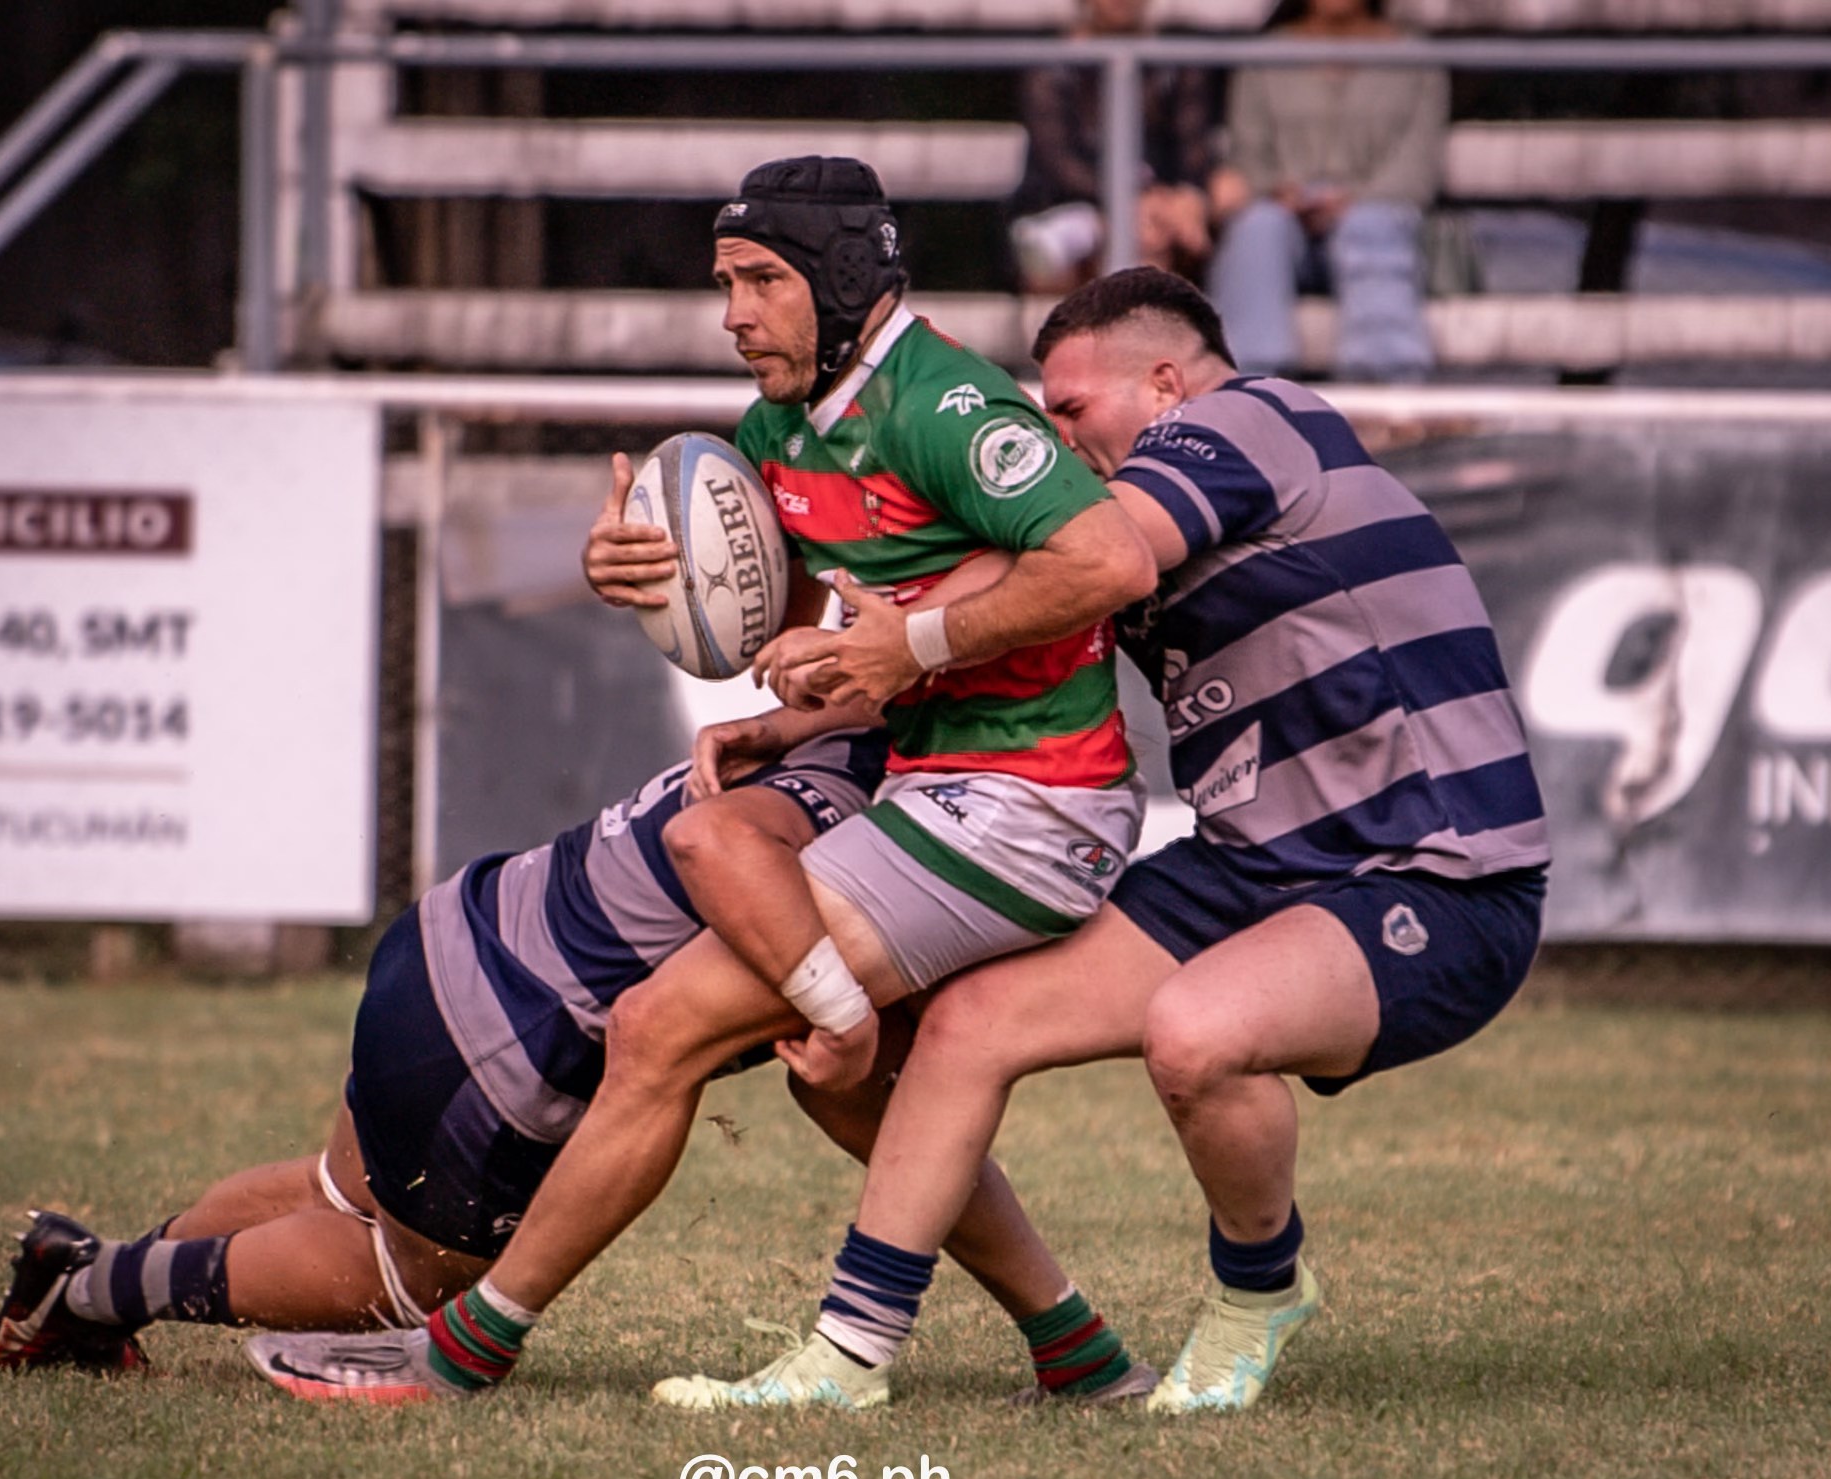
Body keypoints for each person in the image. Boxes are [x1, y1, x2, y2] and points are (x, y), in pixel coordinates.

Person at [242, 156, 1164, 1408]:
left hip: (1031, 798)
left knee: (662, 1023)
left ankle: (459, 1358)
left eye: (760, 280)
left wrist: (912, 644)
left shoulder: (945, 406)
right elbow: (779, 629)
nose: (732, 311)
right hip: (929, 779)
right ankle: (1078, 1353)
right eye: (724, 282)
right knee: (853, 1090)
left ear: (841, 279)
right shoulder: (779, 427)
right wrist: (647, 574)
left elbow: (1108, 560)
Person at [658, 265, 1549, 1415]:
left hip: (1438, 866)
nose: (1053, 435)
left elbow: (1059, 554)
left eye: (1072, 409)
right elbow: (998, 604)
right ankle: (847, 1355)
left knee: (1194, 1035)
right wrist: (794, 703)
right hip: (1251, 863)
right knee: (968, 1026)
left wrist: (909, 630)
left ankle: (1256, 1290)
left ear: (1167, 382)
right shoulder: (1126, 510)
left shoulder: (1252, 422)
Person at [0, 727, 891, 1373]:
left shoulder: (835, 717)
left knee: (334, 1190)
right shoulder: (892, 788)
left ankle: (89, 1292)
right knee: (403, 1276)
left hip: (459, 927)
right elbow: (722, 845)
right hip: (508, 1036)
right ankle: (90, 1286)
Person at [1205, 0, 1449, 382]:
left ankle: (1384, 395)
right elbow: (1248, 157)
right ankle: (1249, 389)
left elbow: (1416, 167)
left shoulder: (1415, 58)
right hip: (1287, 215)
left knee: (1370, 225)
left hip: (1376, 213)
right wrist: (1278, 192)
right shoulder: (1264, 56)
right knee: (1257, 227)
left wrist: (1351, 202)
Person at [1006, 0, 1239, 293]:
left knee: (1211, 201)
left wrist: (1182, 199)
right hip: (1071, 205)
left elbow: (1193, 155)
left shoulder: (1177, 65)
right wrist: (1128, 206)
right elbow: (1060, 165)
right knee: (1069, 251)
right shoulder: (1051, 69)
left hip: (1160, 211)